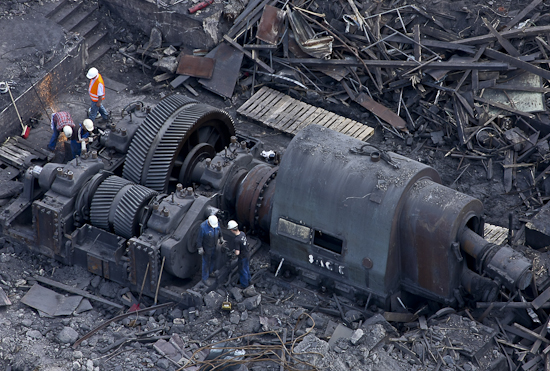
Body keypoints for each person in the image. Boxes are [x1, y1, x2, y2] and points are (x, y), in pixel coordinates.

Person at [196, 215, 222, 283]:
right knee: (206, 262)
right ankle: (205, 278)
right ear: (209, 223)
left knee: (213, 258)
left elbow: (219, 229)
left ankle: (210, 272)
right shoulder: (203, 227)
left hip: (214, 245)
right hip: (207, 248)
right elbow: (199, 239)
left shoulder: (216, 223)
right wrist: (200, 248)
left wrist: (221, 237)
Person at [228, 220, 250, 288]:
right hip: (247, 254)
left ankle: (244, 285)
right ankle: (249, 280)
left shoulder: (236, 239)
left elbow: (237, 253)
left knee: (242, 270)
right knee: (246, 268)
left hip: (242, 257)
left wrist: (233, 252)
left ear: (232, 229)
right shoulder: (242, 233)